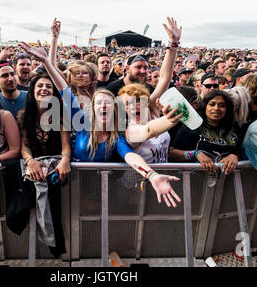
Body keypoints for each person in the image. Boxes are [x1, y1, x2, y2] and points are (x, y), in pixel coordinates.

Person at [19, 40, 181, 208]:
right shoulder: (82, 122)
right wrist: (46, 62)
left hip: (100, 190)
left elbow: (134, 152)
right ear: (92, 109)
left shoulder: (116, 137)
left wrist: (152, 175)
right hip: (72, 186)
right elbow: (63, 88)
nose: (104, 106)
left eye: (108, 103)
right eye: (99, 103)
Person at [17, 72, 71, 258]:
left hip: (55, 169)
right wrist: (30, 161)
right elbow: (23, 146)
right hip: (34, 169)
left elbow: (66, 147)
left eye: (48, 86)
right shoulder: (24, 116)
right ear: (32, 91)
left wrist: (65, 160)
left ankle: (56, 246)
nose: (44, 89)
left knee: (56, 208)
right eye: (40, 86)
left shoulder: (60, 115)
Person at [169, 90, 241, 175]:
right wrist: (195, 154)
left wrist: (234, 156)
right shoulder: (193, 126)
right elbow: (172, 153)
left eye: (222, 105)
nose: (216, 108)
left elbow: (239, 151)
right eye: (212, 104)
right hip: (197, 181)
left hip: (226, 181)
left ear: (227, 109)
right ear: (205, 106)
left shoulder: (233, 128)